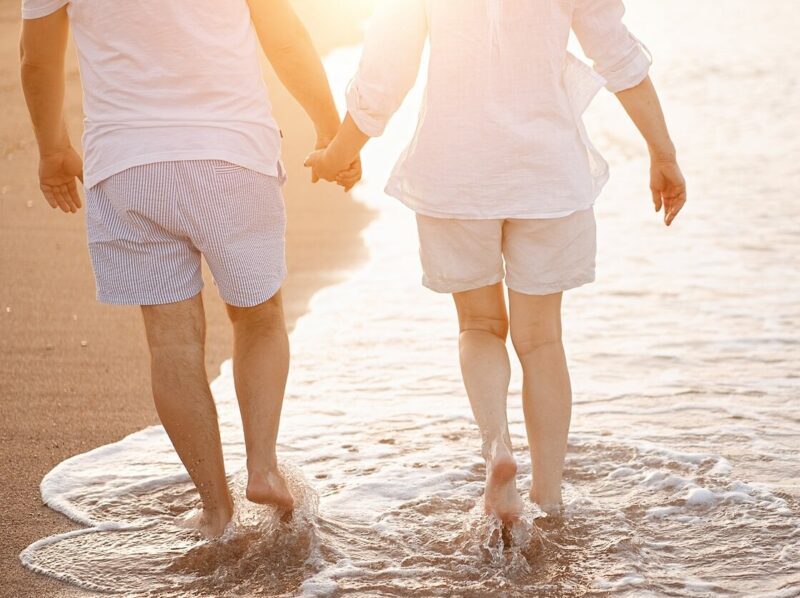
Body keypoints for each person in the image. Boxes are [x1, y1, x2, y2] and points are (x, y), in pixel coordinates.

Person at [306, 0, 687, 522]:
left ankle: (498, 448)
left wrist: (338, 152)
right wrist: (662, 152)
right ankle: (548, 499)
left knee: (480, 325)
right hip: (547, 172)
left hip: (455, 172)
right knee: (543, 339)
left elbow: (384, 75)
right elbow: (619, 58)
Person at [20, 0, 360, 538]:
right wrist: (330, 130)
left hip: (127, 165)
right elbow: (285, 36)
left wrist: (52, 150)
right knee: (259, 317)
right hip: (231, 155)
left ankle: (216, 508)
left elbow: (36, 59)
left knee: (172, 343)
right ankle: (264, 467)